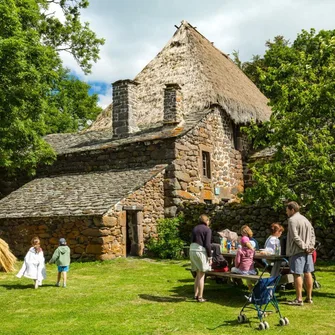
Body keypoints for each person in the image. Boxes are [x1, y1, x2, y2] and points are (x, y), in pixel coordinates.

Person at [286, 201, 315, 306]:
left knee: (297, 274)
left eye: (287, 210)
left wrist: (305, 247)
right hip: (308, 251)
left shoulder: (292, 220)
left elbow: (295, 236)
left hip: (297, 251)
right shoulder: (305, 219)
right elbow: (312, 234)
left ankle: (299, 299)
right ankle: (309, 297)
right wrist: (311, 246)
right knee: (308, 273)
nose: (286, 212)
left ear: (292, 210)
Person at [189, 214, 212, 302]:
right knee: (202, 274)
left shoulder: (195, 228)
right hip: (200, 251)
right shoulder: (207, 229)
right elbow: (207, 244)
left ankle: (195, 295)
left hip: (192, 250)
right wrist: (210, 257)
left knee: (197, 274)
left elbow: (192, 240)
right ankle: (200, 297)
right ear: (206, 221)